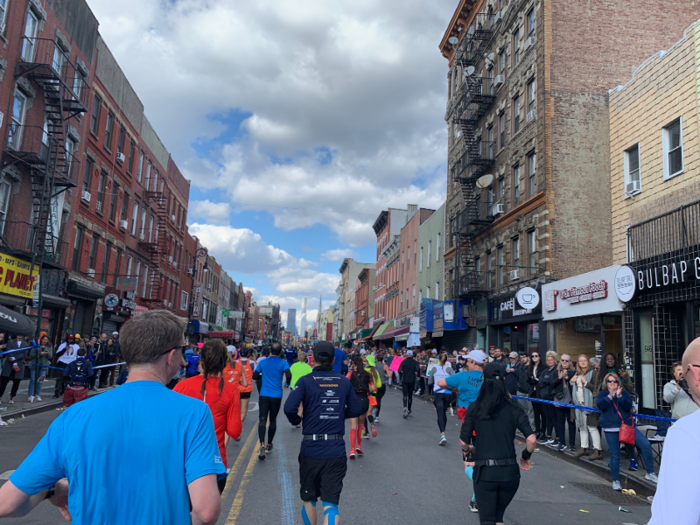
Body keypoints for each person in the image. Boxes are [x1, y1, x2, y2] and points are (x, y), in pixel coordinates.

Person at [0, 309, 226, 524]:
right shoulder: (194, 412)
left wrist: (50, 490)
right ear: (170, 356)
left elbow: (7, 504)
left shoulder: (74, 416)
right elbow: (205, 512)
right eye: (182, 351)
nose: (184, 360)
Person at [284, 341, 362, 525]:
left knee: (309, 499)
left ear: (314, 358)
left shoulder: (305, 381)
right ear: (333, 359)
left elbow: (289, 408)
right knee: (331, 505)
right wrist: (336, 415)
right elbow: (355, 409)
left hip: (311, 448)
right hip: (335, 449)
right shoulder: (344, 381)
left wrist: (297, 420)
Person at [460, 362, 537, 525]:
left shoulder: (475, 408)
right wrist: (525, 456)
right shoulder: (514, 408)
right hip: (510, 473)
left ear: (483, 379)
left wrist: (468, 449)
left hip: (485, 472)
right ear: (503, 379)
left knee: (488, 519)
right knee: (498, 517)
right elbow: (531, 439)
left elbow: (463, 441)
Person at [175, 339, 242, 489]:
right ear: (224, 362)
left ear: (201, 361)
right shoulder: (230, 390)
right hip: (214, 464)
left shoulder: (182, 386)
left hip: (183, 464)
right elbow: (234, 431)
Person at [649, 339, 700, 523]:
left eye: (685, 373)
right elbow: (667, 398)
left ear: (694, 373)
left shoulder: (686, 434)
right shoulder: (671, 386)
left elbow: (674, 518)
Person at [596, 372, 658, 491]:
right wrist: (610, 396)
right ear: (606, 383)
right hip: (611, 427)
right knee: (615, 455)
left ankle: (650, 473)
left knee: (645, 445)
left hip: (626, 426)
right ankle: (615, 480)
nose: (612, 383)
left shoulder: (624, 393)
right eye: (610, 381)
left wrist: (619, 396)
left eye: (615, 381)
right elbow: (601, 406)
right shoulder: (602, 394)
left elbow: (627, 406)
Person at [253, 342, 292, 460]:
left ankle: (262, 444)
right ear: (280, 352)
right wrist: (286, 383)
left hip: (264, 394)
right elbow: (289, 375)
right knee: (273, 420)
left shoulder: (263, 362)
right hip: (276, 395)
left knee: (263, 419)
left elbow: (254, 376)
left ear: (270, 351)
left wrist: (263, 376)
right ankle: (269, 444)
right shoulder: (283, 363)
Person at [570, 354, 602, 460]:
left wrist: (586, 383)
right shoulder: (577, 373)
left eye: (584, 360)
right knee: (582, 426)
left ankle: (597, 450)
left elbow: (596, 389)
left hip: (590, 405)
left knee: (592, 427)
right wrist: (571, 382)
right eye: (580, 361)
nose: (583, 363)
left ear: (588, 362)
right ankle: (584, 448)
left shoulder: (594, 373)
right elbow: (575, 389)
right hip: (579, 405)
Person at [346, 356, 375, 458]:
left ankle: (352, 450)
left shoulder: (350, 374)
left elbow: (345, 386)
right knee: (361, 424)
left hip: (353, 400)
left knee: (353, 426)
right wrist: (366, 389)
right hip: (364, 399)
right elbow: (373, 388)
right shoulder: (368, 375)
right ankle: (359, 445)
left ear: (353, 363)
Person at [431, 352, 455, 445]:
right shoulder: (449, 369)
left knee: (440, 413)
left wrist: (434, 382)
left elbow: (430, 380)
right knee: (443, 412)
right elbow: (454, 379)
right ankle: (443, 434)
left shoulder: (434, 368)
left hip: (438, 393)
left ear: (438, 359)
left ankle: (442, 434)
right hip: (447, 393)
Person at [537, 351, 561, 445]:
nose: (550, 361)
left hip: (552, 397)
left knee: (554, 418)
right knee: (547, 417)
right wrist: (547, 382)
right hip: (544, 397)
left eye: (551, 360)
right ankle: (549, 436)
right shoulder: (545, 370)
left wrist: (547, 382)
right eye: (548, 360)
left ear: (555, 360)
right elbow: (540, 382)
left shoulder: (556, 370)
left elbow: (553, 383)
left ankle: (558, 437)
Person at [554, 354, 576, 452]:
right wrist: (559, 378)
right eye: (563, 360)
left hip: (570, 401)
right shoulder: (556, 371)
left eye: (567, 361)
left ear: (570, 362)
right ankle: (562, 442)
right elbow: (551, 385)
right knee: (560, 422)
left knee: (571, 423)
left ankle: (572, 444)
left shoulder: (574, 372)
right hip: (559, 401)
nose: (564, 362)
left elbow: (573, 386)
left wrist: (567, 377)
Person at [0, 334, 30, 404]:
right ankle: (0, 396)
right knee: (4, 381)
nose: (20, 336)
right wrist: (13, 360)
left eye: (21, 335)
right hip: (9, 364)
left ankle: (12, 397)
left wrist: (15, 358)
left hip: (19, 364)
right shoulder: (11, 342)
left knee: (16, 382)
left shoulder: (25, 344)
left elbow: (24, 354)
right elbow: (9, 351)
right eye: (18, 334)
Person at [527, 352, 546, 441]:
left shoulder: (543, 367)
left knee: (543, 413)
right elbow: (528, 379)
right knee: (536, 413)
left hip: (541, 392)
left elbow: (542, 380)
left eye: (536, 356)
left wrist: (536, 380)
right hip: (533, 392)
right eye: (532, 356)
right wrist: (534, 380)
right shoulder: (530, 367)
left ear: (540, 357)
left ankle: (543, 432)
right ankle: (537, 431)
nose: (534, 357)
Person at [28, 335, 52, 403]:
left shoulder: (49, 347)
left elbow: (50, 356)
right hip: (35, 365)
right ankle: (30, 394)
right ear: (41, 340)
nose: (45, 341)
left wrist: (47, 354)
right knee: (33, 380)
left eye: (46, 340)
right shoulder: (36, 346)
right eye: (44, 339)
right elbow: (31, 355)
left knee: (40, 380)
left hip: (44, 366)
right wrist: (40, 354)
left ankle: (37, 394)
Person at [516, 353, 535, 432]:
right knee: (522, 411)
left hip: (529, 392)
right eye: (521, 358)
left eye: (524, 357)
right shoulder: (520, 367)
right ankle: (523, 427)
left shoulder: (531, 367)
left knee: (530, 411)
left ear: (528, 357)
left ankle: (532, 428)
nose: (522, 359)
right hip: (520, 391)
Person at [398, 350, 420, 418]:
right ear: (412, 355)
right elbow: (418, 368)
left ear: (407, 355)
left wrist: (402, 374)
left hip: (405, 379)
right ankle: (409, 409)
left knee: (405, 394)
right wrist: (418, 376)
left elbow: (399, 370)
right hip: (412, 380)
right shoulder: (414, 362)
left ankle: (405, 407)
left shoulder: (403, 362)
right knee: (410, 395)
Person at [237, 347, 255, 422]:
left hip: (236, 389)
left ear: (239, 353)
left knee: (235, 410)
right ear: (248, 354)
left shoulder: (235, 362)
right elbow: (256, 373)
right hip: (246, 389)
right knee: (243, 411)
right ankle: (238, 426)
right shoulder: (252, 363)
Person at [367, 354, 386, 423]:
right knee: (378, 401)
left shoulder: (367, 369)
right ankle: (376, 417)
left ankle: (371, 413)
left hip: (369, 389)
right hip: (378, 388)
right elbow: (389, 375)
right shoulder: (383, 367)